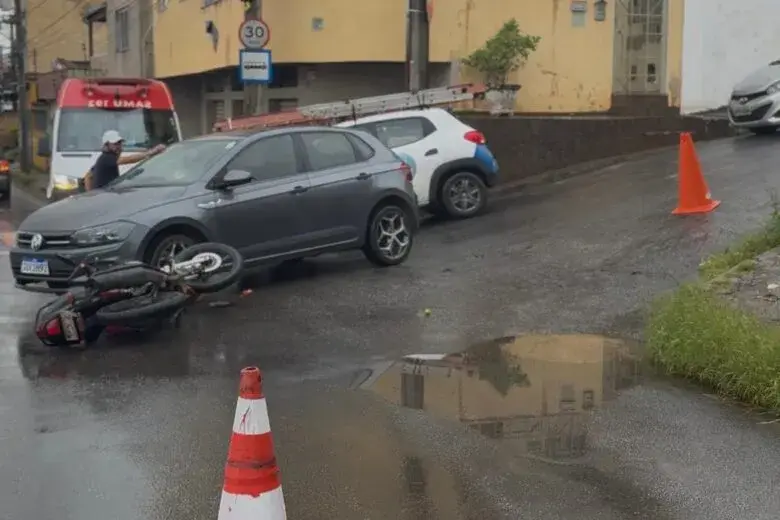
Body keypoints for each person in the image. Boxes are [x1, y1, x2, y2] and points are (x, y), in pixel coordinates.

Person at [83, 130, 166, 191]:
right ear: (106, 145)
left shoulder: (103, 158)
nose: (119, 146)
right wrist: (151, 152)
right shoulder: (107, 157)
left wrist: (91, 195)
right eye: (115, 144)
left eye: (119, 143)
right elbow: (127, 160)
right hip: (105, 197)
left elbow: (88, 176)